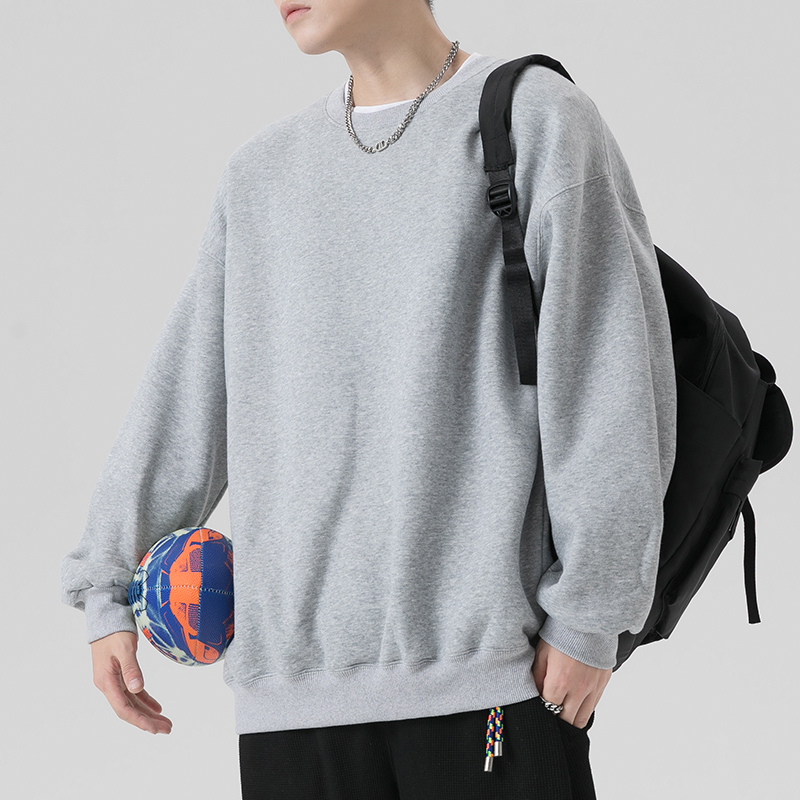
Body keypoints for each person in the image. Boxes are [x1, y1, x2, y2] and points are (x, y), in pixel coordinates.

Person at [60, 1, 677, 797]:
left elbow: (608, 382)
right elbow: (187, 394)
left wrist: (590, 617)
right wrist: (106, 584)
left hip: (488, 687)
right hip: (291, 707)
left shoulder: (537, 121)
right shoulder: (262, 175)